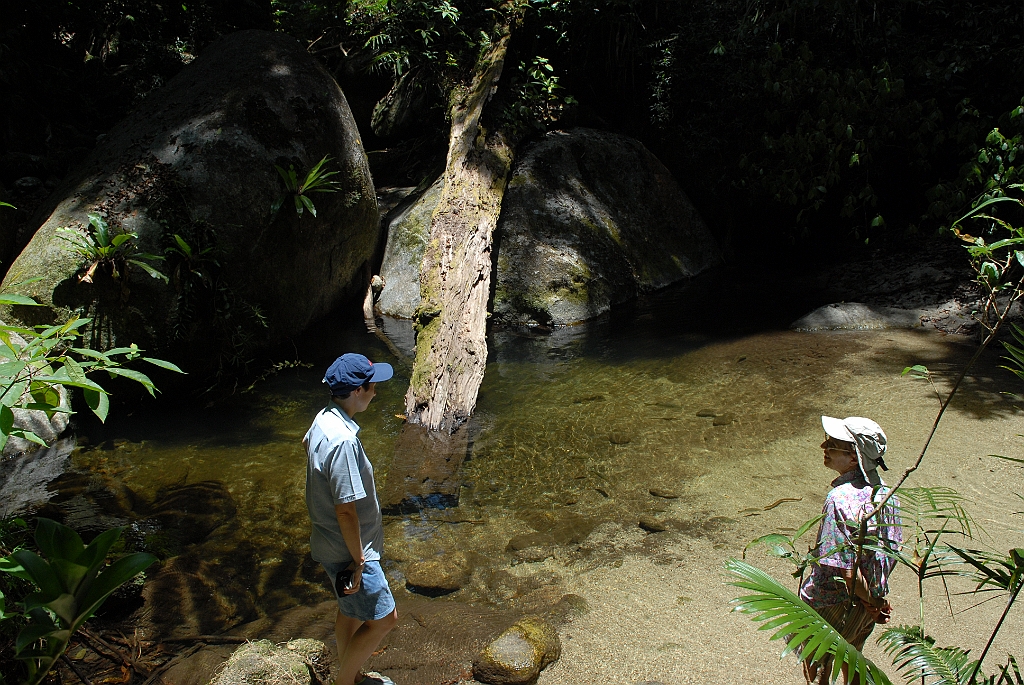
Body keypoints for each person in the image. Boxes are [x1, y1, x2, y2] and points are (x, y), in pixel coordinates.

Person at [304, 353, 398, 685]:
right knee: (385, 619)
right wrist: (359, 561)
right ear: (358, 390)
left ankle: (351, 675)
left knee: (349, 612)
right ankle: (344, 682)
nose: (376, 392)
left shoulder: (323, 419)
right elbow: (346, 510)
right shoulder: (344, 441)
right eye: (373, 386)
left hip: (328, 542)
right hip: (349, 550)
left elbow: (308, 449)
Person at [798, 416, 903, 685]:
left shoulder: (838, 499)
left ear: (854, 458)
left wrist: (873, 602)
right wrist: (874, 601)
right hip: (864, 607)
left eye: (832, 444)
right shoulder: (887, 496)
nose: (824, 446)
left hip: (831, 603)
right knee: (853, 659)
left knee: (817, 670)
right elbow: (885, 556)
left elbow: (846, 570)